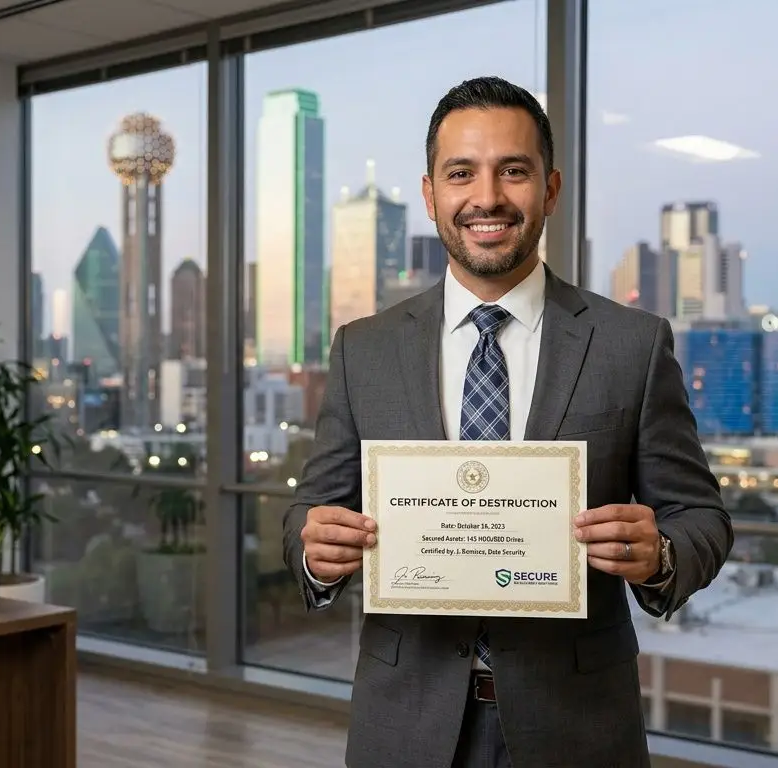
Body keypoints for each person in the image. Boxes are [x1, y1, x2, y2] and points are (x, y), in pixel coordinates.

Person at [281, 76, 733, 768]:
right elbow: (309, 511)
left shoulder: (631, 346)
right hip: (404, 724)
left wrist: (662, 554)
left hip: (577, 728)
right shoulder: (362, 349)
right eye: (461, 173)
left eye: (512, 171)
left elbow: (701, 514)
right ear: (431, 195)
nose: (486, 197)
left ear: (549, 190)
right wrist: (314, 550)